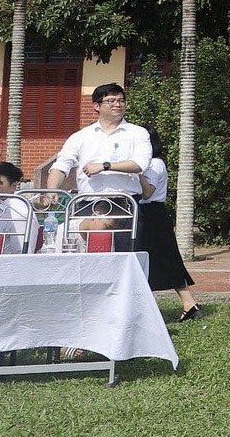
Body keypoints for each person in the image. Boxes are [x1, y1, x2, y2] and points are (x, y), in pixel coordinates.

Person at [133, 125, 199, 320]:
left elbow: (147, 192)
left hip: (151, 214)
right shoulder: (150, 163)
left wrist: (135, 173)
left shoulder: (153, 164)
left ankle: (188, 304)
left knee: (159, 261)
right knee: (161, 261)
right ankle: (189, 304)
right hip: (147, 214)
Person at [49, 83, 150, 200]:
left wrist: (105, 166)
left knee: (103, 219)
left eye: (121, 101)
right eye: (111, 101)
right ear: (97, 106)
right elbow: (61, 165)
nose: (118, 104)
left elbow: (140, 164)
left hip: (124, 202)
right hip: (88, 201)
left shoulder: (138, 133)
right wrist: (52, 189)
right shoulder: (81, 136)